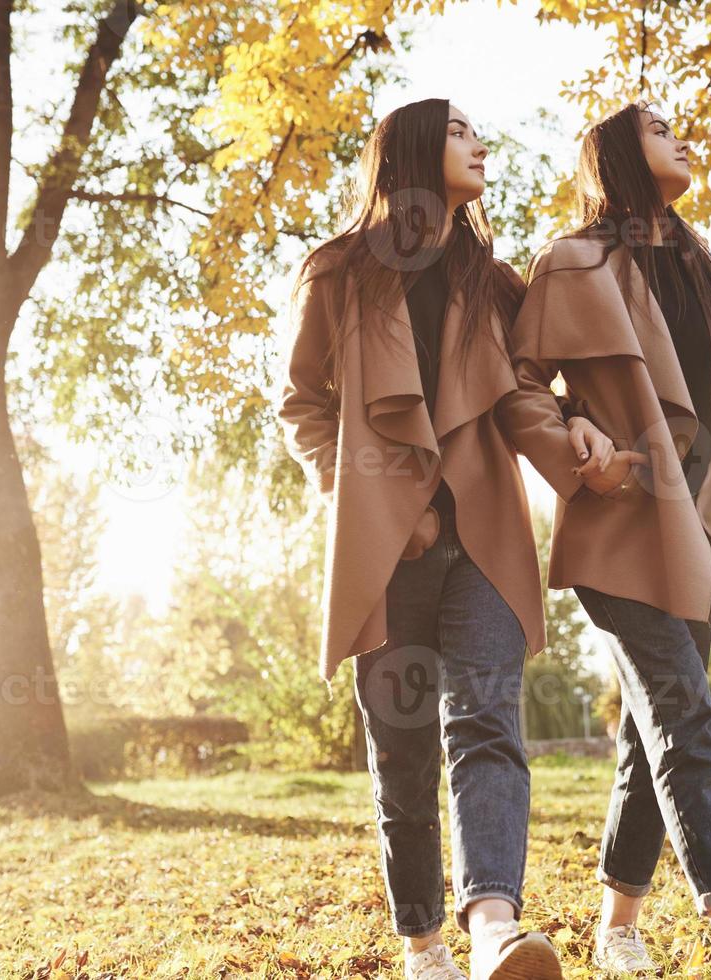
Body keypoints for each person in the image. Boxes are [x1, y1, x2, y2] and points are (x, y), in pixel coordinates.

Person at [494, 101, 711, 980]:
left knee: (655, 733)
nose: (683, 140)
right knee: (685, 714)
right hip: (618, 523)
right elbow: (521, 386)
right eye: (660, 131)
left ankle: (616, 928)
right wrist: (575, 434)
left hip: (694, 526)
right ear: (617, 155)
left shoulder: (699, 269)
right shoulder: (572, 261)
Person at [277, 97, 591, 980]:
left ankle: (493, 923)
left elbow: (535, 384)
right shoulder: (336, 271)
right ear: (411, 150)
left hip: (485, 537)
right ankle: (423, 947)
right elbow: (303, 404)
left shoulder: (494, 282)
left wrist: (585, 429)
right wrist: (367, 501)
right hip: (383, 550)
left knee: (488, 724)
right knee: (403, 750)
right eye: (458, 132)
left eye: (477, 132)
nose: (479, 143)